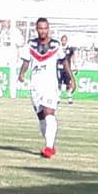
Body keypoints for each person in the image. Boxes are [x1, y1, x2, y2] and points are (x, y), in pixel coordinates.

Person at [18, 17, 75, 159]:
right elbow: (26, 61)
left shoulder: (55, 45)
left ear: (48, 29)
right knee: (41, 117)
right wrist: (22, 73)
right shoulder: (31, 45)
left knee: (49, 112)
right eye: (40, 28)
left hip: (50, 84)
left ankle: (48, 148)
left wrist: (72, 79)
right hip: (35, 84)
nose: (43, 31)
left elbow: (64, 62)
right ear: (36, 29)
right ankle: (50, 144)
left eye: (45, 28)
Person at [57, 35, 76, 105]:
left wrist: (75, 65)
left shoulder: (69, 48)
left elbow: (73, 56)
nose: (64, 41)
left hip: (67, 68)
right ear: (61, 41)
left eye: (65, 40)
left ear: (67, 41)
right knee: (59, 83)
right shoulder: (58, 48)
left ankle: (69, 98)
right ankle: (58, 99)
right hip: (60, 67)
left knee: (68, 83)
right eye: (63, 40)